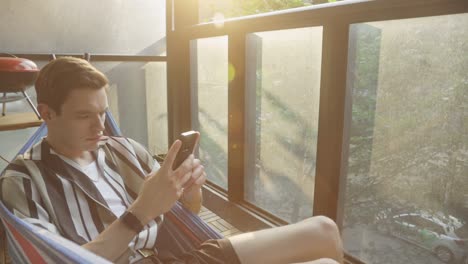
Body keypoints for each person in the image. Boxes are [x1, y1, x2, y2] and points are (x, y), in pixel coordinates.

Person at [0, 57, 343, 264]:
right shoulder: (23, 182)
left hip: (178, 256)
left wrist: (190, 191)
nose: (99, 126)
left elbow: (187, 214)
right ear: (46, 113)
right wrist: (140, 213)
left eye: (103, 112)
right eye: (83, 116)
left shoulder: (122, 150)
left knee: (325, 230)